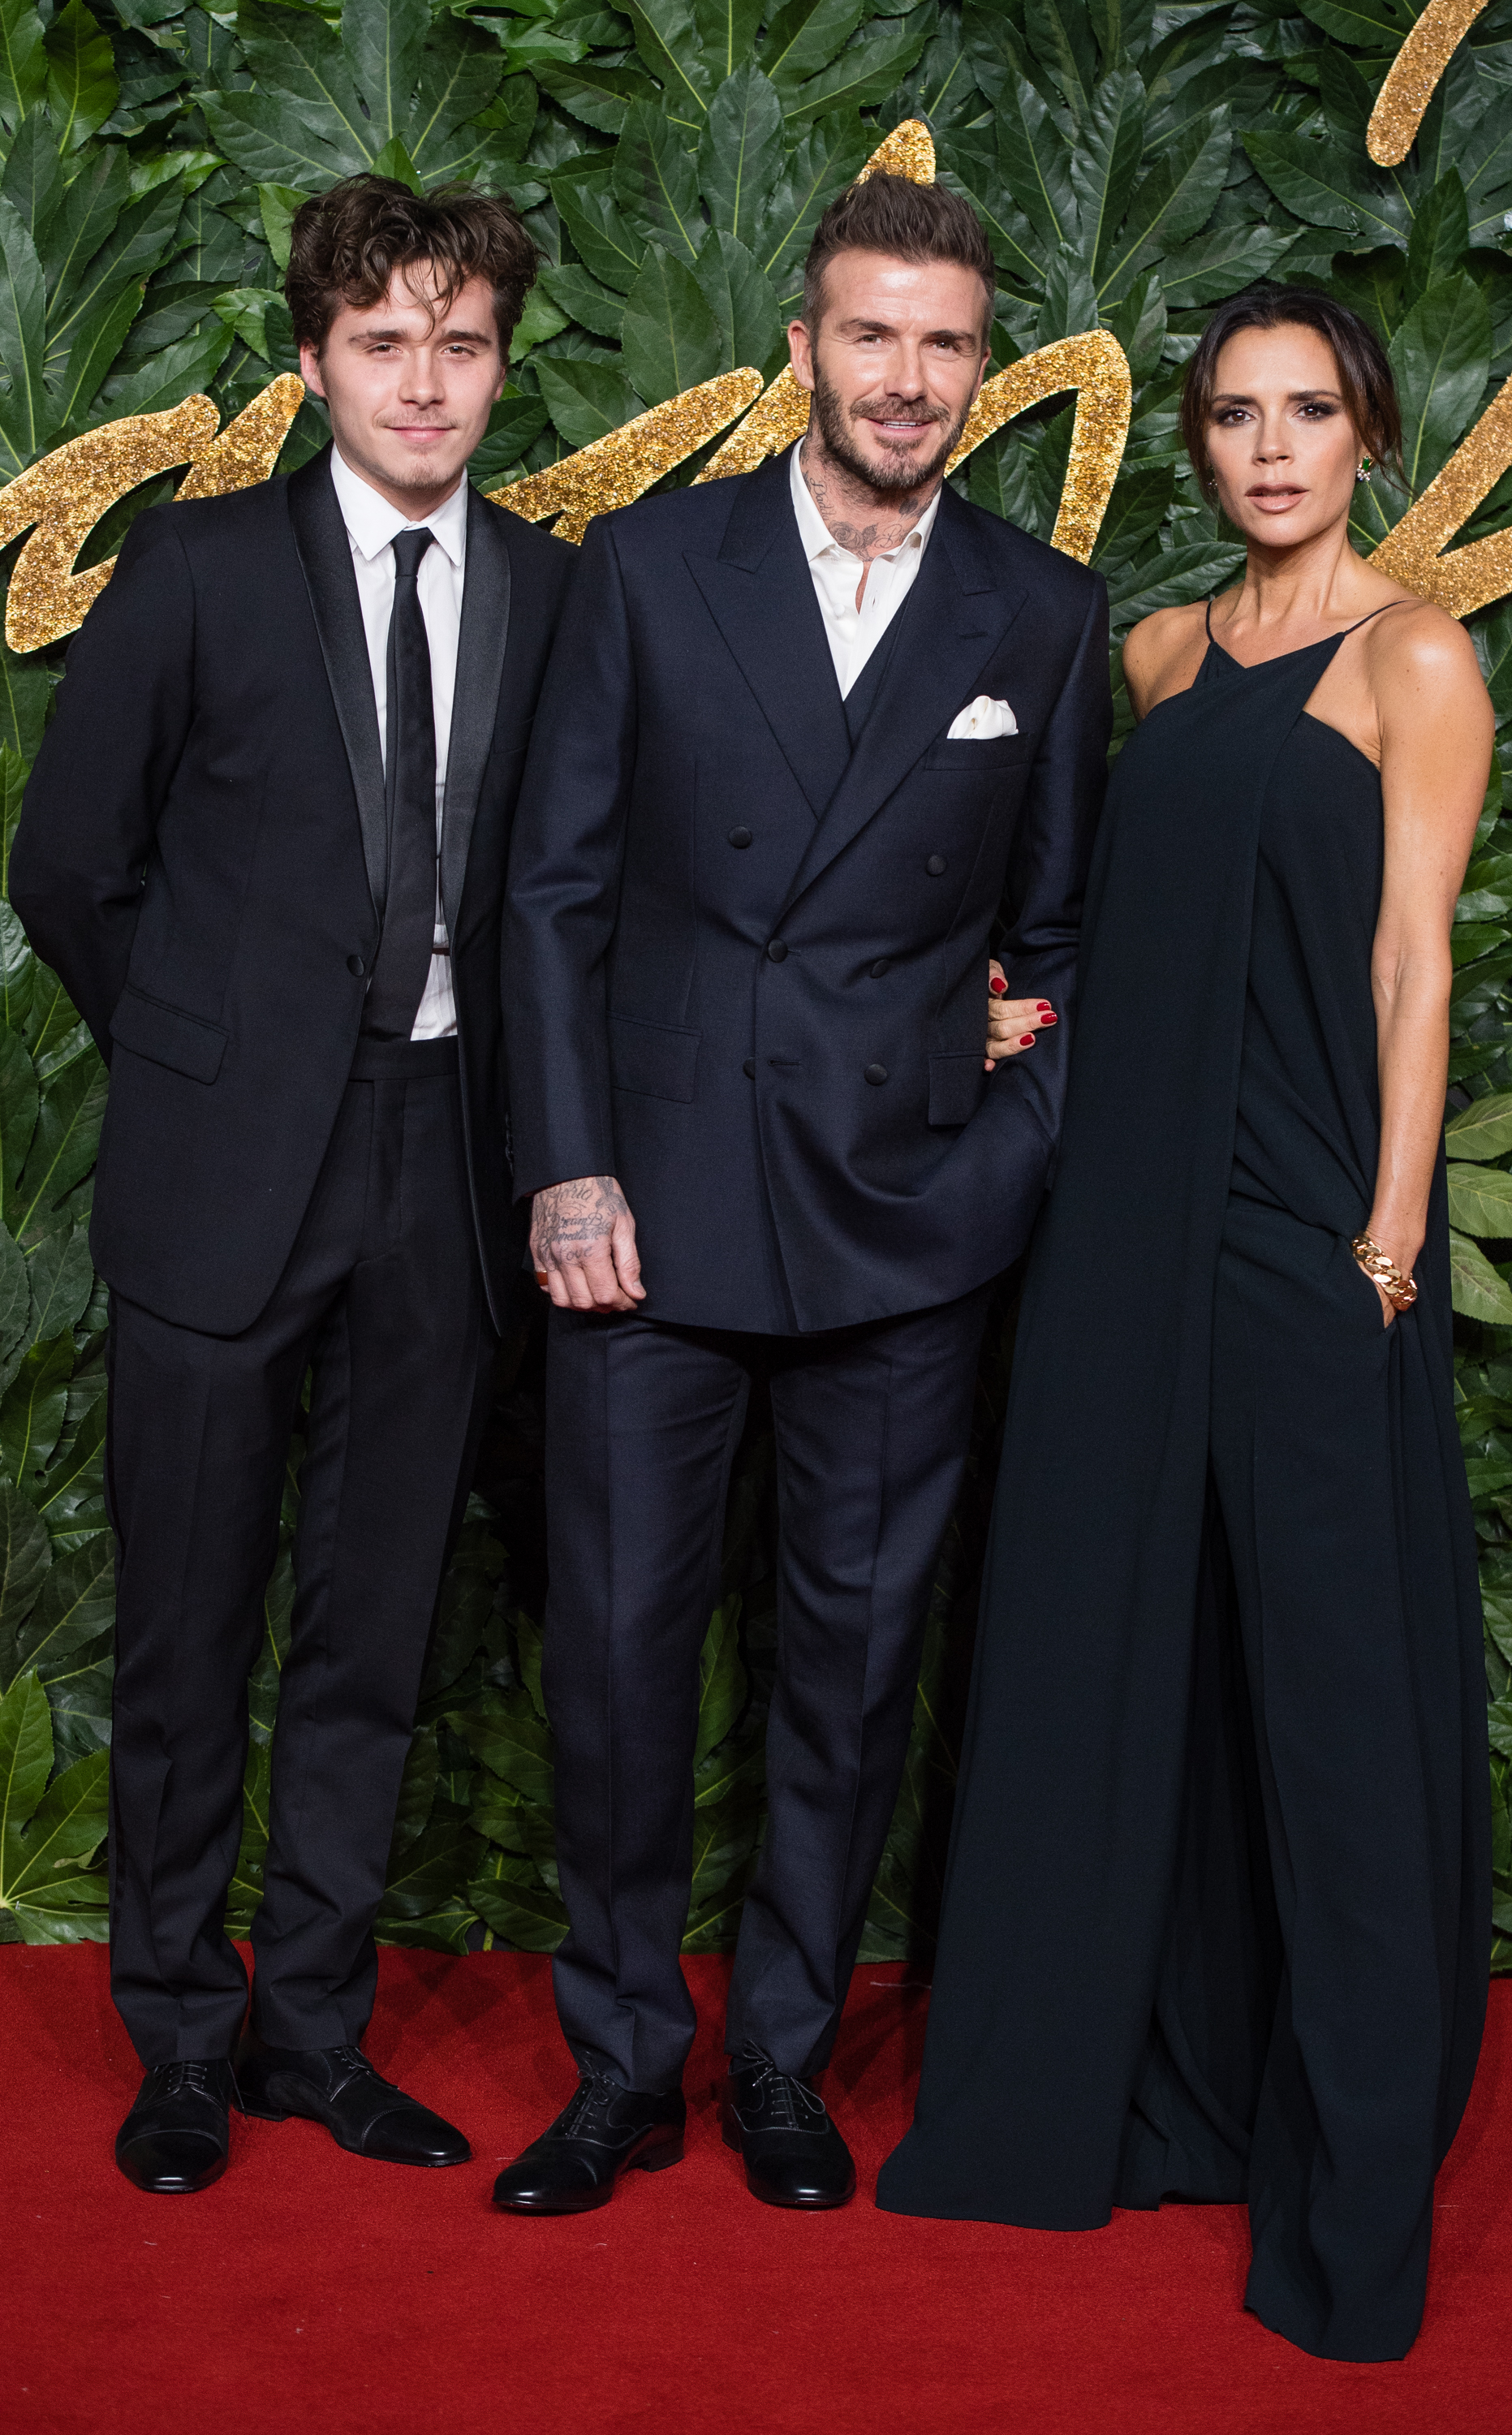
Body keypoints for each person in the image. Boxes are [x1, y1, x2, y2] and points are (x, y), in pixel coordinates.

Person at [877, 285, 1495, 2362]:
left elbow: (1412, 969)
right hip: (1123, 1232)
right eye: (1233, 415)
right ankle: (1133, 2088)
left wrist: (1388, 1238)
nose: (1267, 448)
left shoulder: (1414, 655)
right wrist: (1005, 1016)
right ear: (1200, 447)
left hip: (1313, 1229)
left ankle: (1348, 2182)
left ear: (1368, 436)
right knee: (1104, 1647)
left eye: (1308, 411)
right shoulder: (1147, 656)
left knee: (1322, 1711)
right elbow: (1077, 935)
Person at [493, 172, 1111, 2215]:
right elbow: (557, 887)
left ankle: (776, 2062)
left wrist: (985, 1155)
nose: (909, 378)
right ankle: (617, 2067)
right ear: (802, 354)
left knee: (848, 1677)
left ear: (978, 367)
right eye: (873, 335)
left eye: (945, 344)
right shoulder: (651, 566)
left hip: (898, 1230)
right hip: (649, 1218)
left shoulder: (1038, 606)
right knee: (618, 1660)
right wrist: (570, 1166)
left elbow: (1055, 942)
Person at [11, 177, 574, 2195]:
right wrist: (204, 1053)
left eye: (462, 343)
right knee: (184, 1627)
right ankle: (177, 2031)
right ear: (313, 358)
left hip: (444, 1162)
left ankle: (309, 2035)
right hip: (220, 1169)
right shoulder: (187, 572)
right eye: (383, 342)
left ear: (502, 364)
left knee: (371, 1628)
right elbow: (70, 870)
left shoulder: (547, 587)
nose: (425, 383)